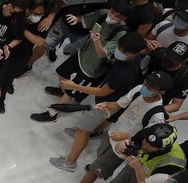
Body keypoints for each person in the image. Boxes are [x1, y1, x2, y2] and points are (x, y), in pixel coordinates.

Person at [54, 71, 172, 183]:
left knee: (96, 169)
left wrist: (127, 136)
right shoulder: (138, 90)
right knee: (100, 155)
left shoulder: (157, 115)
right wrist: (105, 104)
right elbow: (119, 104)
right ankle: (103, 169)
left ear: (161, 92)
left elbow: (148, 140)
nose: (146, 87)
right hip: (112, 132)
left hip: (123, 145)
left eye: (151, 87)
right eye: (146, 82)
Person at [49, 32, 148, 172]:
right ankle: (85, 131)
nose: (119, 52)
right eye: (119, 48)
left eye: (124, 52)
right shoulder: (136, 57)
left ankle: (70, 162)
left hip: (108, 104)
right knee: (86, 125)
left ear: (134, 54)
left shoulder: (124, 74)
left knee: (83, 130)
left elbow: (102, 92)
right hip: (112, 100)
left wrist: (74, 86)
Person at [31, 0, 133, 123]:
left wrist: (96, 40)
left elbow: (102, 54)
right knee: (61, 72)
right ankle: (63, 89)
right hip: (82, 53)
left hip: (91, 68)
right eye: (112, 12)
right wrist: (77, 19)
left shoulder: (121, 33)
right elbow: (88, 19)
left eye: (117, 16)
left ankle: (52, 114)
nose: (112, 16)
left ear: (124, 17)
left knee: (70, 92)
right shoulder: (103, 13)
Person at [83, 123, 186, 183]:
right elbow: (129, 146)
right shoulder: (147, 133)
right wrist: (120, 147)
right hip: (137, 165)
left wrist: (138, 167)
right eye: (145, 141)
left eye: (151, 146)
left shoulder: (172, 164)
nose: (144, 146)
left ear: (162, 149)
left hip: (152, 181)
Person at [147, 1, 188, 74]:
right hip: (148, 63)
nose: (179, 20)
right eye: (179, 16)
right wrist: (148, 42)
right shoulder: (163, 25)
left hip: (164, 74)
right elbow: (146, 39)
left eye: (184, 19)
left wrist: (177, 72)